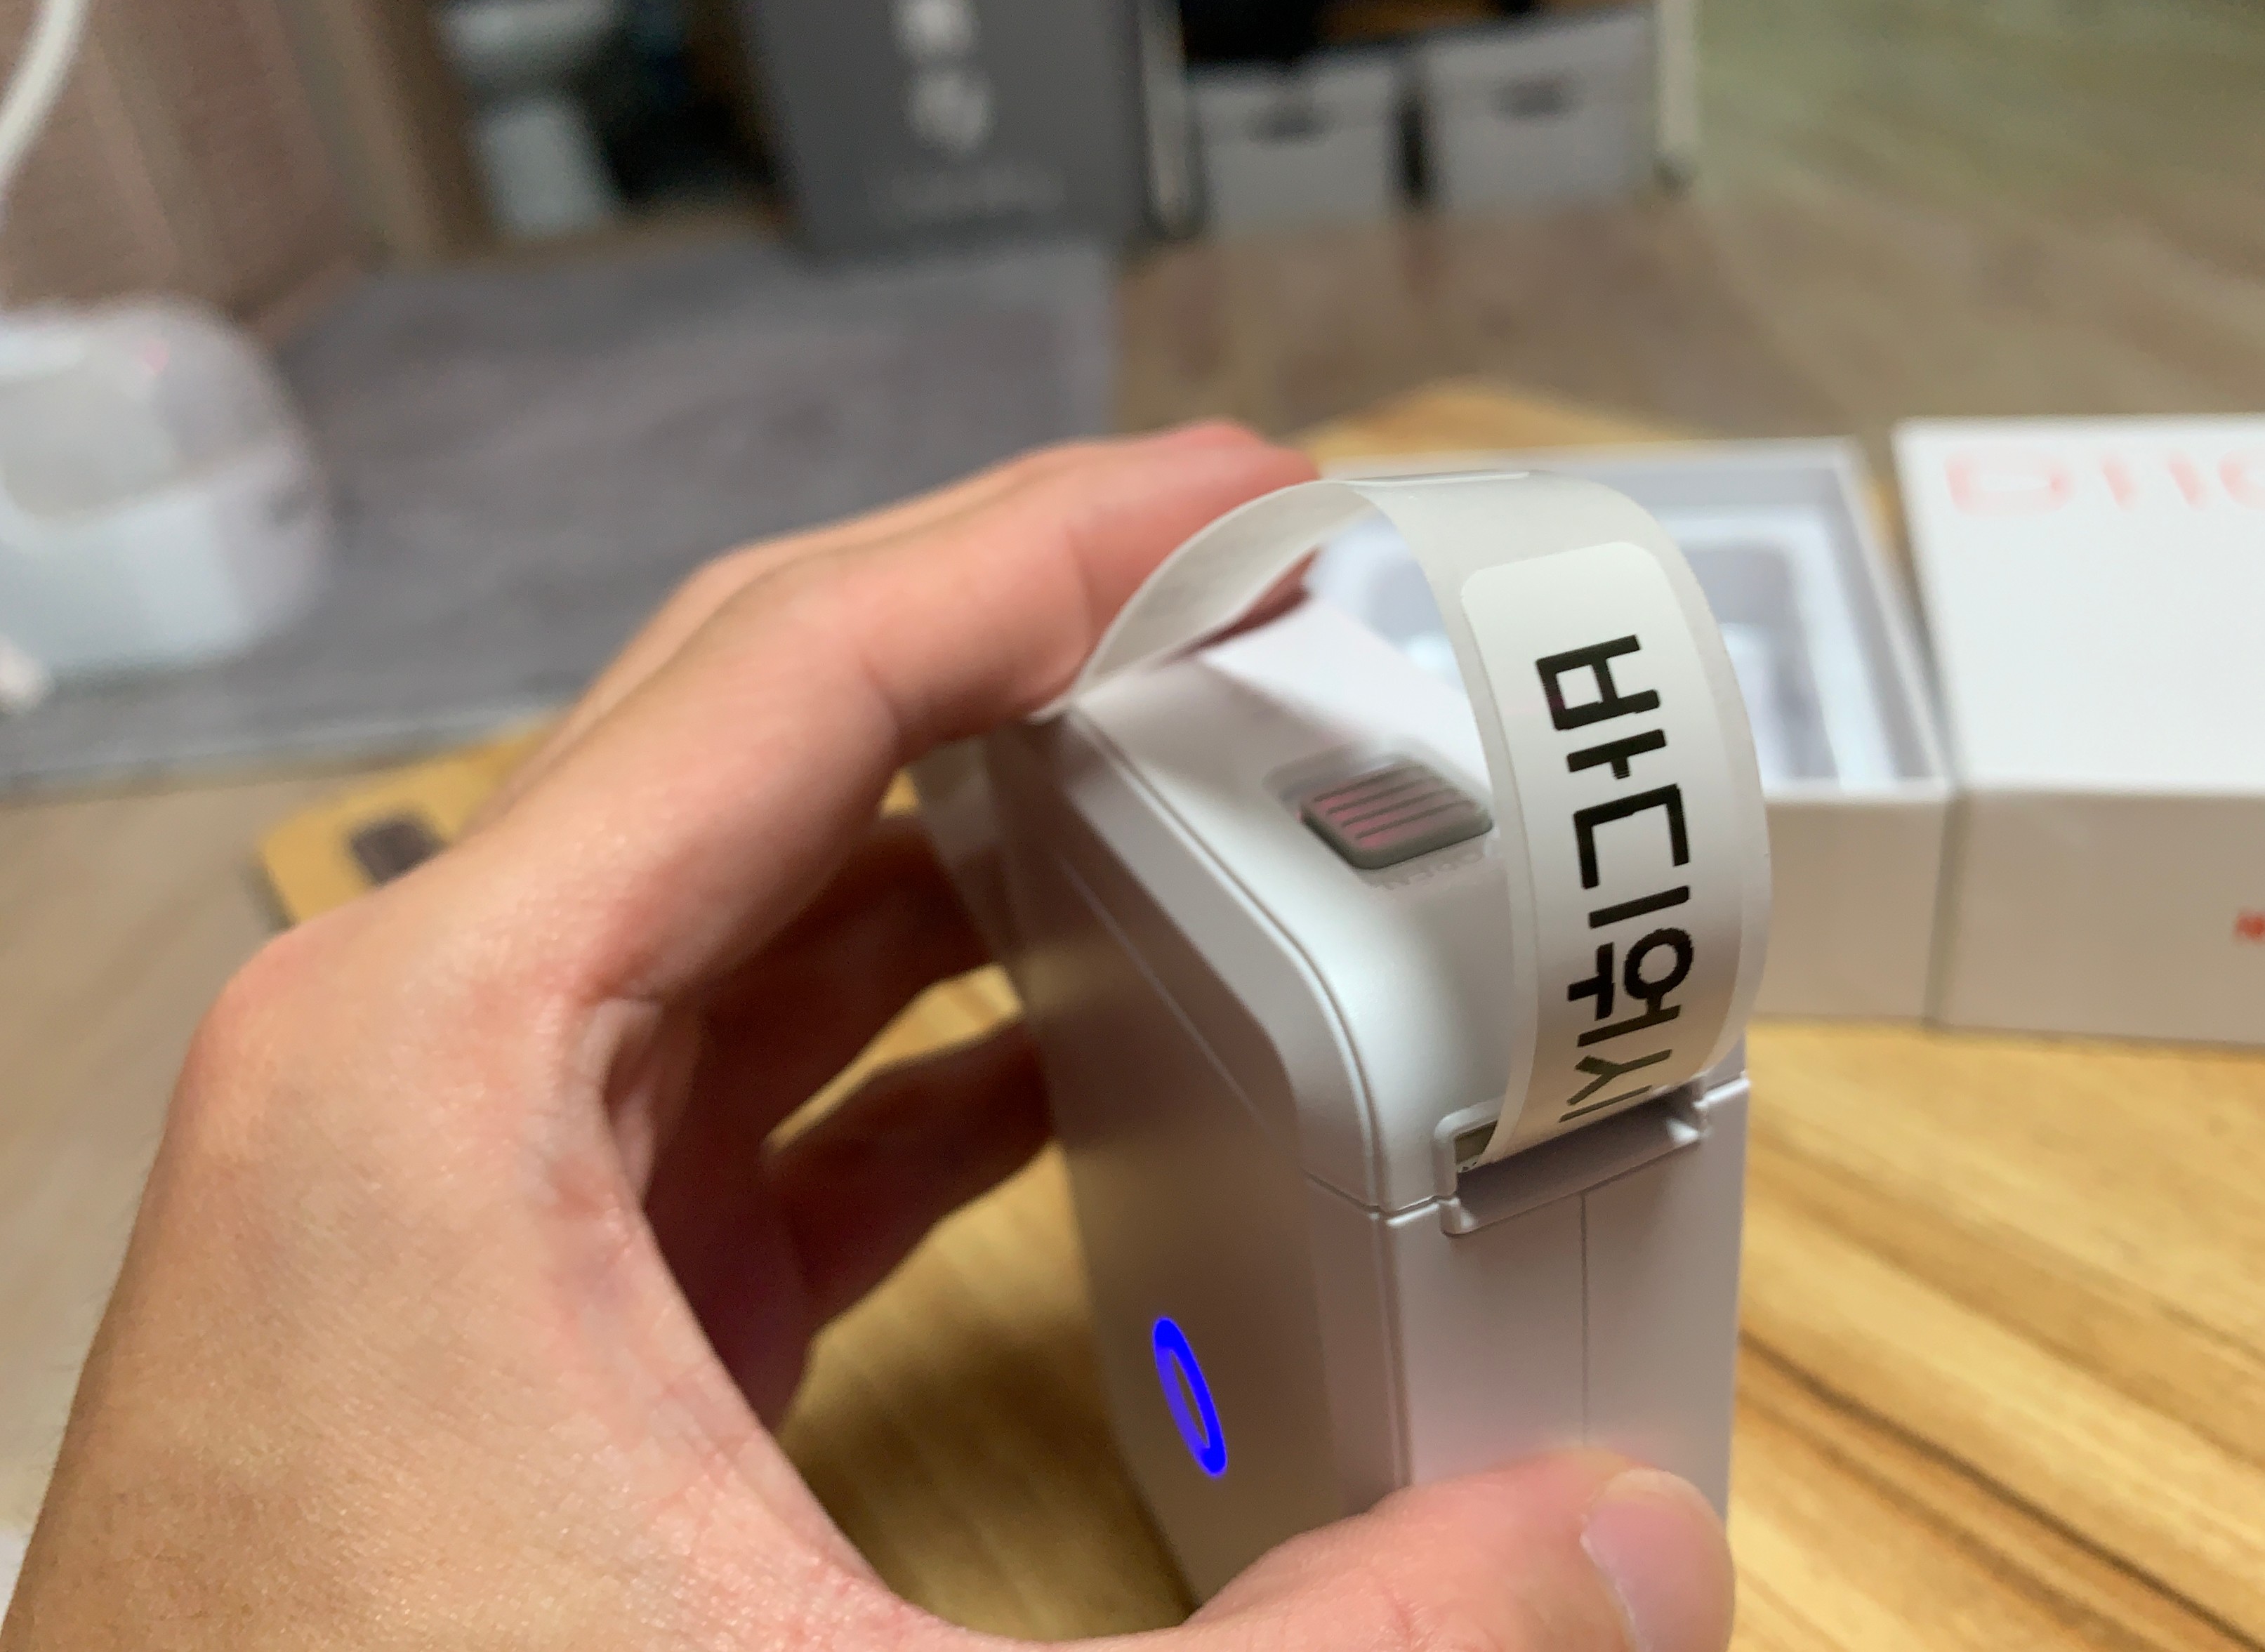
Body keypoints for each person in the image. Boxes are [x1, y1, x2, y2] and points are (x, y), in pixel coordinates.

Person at [0, 425, 1734, 1651]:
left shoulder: (1446, 1036)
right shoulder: (1426, 1031)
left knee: (1396, 1048)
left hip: (1341, 1147)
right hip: (1329, 1161)